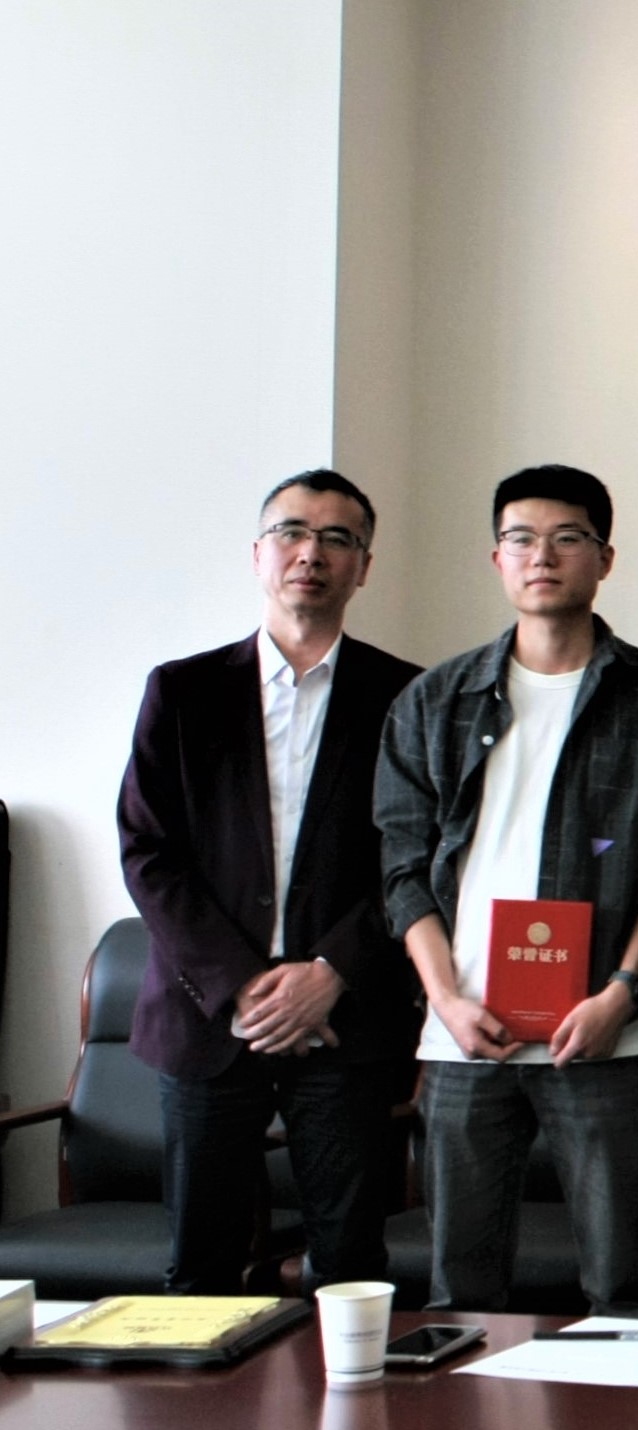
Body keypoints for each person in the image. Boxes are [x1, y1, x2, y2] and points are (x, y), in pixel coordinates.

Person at [377, 465, 638, 1316]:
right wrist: (445, 1000)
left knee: (622, 1283)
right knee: (462, 1284)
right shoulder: (433, 700)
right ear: (496, 558)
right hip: (465, 1033)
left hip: (607, 1034)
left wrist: (620, 994)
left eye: (567, 538)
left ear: (605, 558)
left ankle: (614, 1410)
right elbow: (402, 867)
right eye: (521, 539)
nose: (542, 556)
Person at [118, 469, 422, 1295]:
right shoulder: (183, 692)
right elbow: (148, 851)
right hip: (211, 1018)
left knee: (350, 1269)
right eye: (292, 533)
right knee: (201, 1272)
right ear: (258, 554)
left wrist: (332, 972)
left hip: (348, 1020)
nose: (310, 554)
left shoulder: (407, 697)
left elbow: (421, 855)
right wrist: (241, 984)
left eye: (337, 539)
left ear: (364, 566)